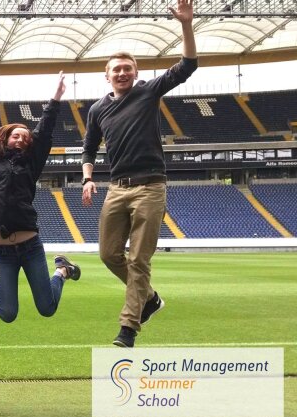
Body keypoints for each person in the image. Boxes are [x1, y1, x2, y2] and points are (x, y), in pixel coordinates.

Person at [81, 0, 197, 348]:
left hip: (150, 186)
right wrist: (88, 178)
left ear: (135, 71)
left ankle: (128, 328)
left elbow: (188, 66)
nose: (122, 73)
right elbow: (88, 148)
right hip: (116, 188)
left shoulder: (148, 92)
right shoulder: (98, 109)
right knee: (107, 254)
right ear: (107, 75)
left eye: (127, 68)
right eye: (116, 69)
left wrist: (186, 25)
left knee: (138, 258)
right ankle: (150, 299)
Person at [0, 61, 81, 323]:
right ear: (5, 137)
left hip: (30, 246)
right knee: (7, 315)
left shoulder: (32, 162)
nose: (21, 139)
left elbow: (44, 130)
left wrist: (55, 99)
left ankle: (62, 271)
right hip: (1, 250)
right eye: (16, 136)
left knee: (47, 307)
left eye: (25, 137)